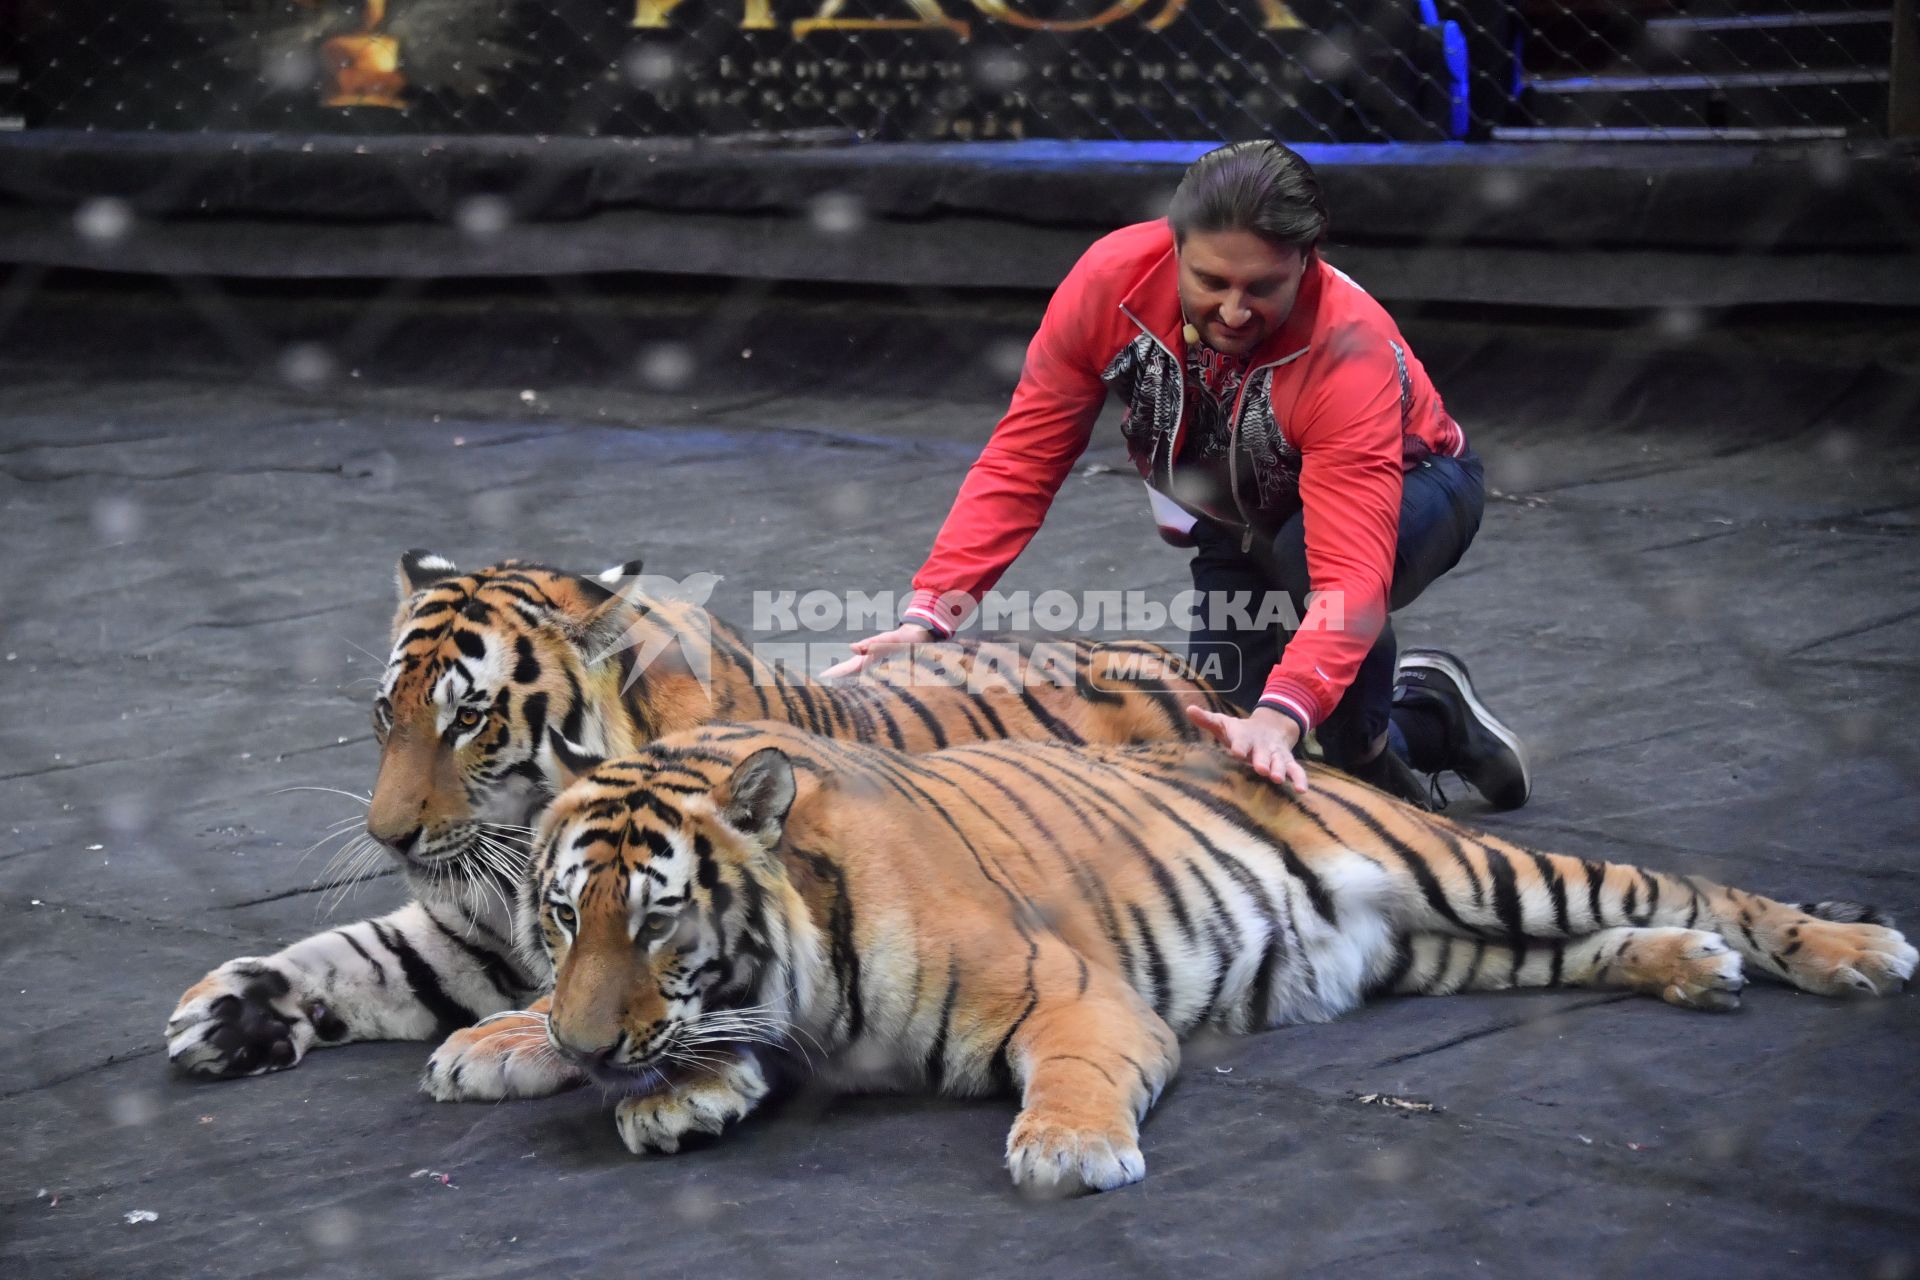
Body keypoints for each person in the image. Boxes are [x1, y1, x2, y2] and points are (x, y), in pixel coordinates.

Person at [824, 140, 1528, 810]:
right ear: (1174, 243)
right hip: (1237, 512)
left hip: (1415, 489)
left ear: (1307, 262)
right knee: (1214, 753)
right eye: (1211, 281)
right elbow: (1023, 460)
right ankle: (1431, 713)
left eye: (1262, 287)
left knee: (1328, 719)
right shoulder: (1111, 282)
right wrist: (930, 618)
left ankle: (1376, 749)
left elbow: (1350, 576)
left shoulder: (1349, 351)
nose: (1232, 310)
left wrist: (1287, 711)